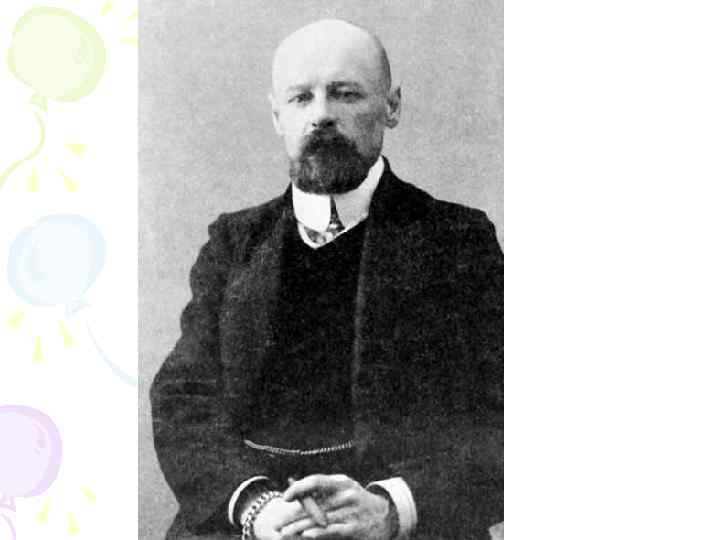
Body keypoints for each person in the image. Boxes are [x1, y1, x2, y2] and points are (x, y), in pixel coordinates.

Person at [150, 18, 503, 540]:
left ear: (392, 106)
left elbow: (504, 415)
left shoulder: (456, 240)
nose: (321, 115)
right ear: (277, 116)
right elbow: (184, 398)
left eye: (345, 94)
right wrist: (255, 508)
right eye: (301, 98)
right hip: (251, 525)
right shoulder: (233, 243)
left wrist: (393, 507)